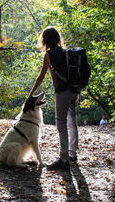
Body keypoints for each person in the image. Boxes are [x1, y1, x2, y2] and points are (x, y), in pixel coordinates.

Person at [27, 26, 78, 169]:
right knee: (72, 121)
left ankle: (63, 159)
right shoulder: (65, 52)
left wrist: (31, 94)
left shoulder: (49, 55)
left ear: (44, 40)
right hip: (73, 90)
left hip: (62, 92)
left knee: (61, 123)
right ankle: (72, 155)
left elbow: (41, 76)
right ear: (57, 38)